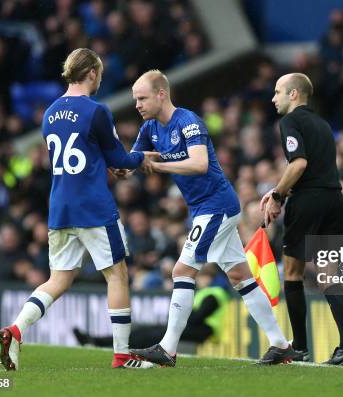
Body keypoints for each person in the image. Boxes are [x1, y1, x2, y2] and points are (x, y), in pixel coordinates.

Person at [0, 48, 154, 370]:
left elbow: (83, 156)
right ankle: (122, 355)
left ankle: (15, 329)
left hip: (60, 207)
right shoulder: (96, 110)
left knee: (58, 280)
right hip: (93, 207)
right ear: (92, 73)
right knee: (117, 275)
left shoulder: (50, 113)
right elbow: (120, 159)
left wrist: (109, 166)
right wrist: (143, 159)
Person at [126, 70, 294, 366]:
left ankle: (168, 348)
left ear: (161, 94)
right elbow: (133, 161)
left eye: (142, 98)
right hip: (204, 208)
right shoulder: (149, 128)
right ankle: (280, 344)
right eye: (135, 99)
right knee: (240, 276)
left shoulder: (187, 122)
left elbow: (200, 163)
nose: (137, 104)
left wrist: (161, 166)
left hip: (217, 205)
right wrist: (116, 164)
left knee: (182, 271)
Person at [262, 73, 343, 365]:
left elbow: (300, 163)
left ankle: (300, 347)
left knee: (292, 272)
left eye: (278, 92)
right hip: (335, 200)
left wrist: (278, 195)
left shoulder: (290, 122)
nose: (273, 98)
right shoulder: (323, 124)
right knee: (329, 275)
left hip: (308, 203)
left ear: (294, 94)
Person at [73, 266, 229, 349]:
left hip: (206, 331)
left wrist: (182, 315)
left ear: (210, 278)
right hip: (197, 328)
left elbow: (197, 317)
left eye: (202, 277)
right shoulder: (207, 292)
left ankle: (100, 342)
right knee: (147, 331)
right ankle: (98, 341)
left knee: (152, 333)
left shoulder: (214, 293)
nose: (198, 280)